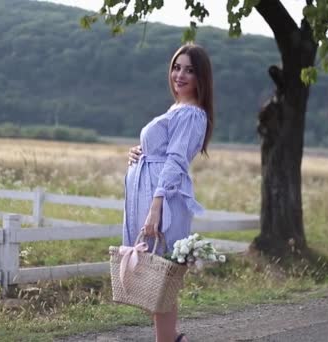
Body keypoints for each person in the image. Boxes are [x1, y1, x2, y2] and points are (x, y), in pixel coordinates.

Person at [124, 43, 214, 342]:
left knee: (161, 278)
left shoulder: (191, 113)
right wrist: (140, 152)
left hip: (162, 200)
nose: (180, 74)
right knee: (156, 278)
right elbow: (165, 150)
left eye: (189, 70)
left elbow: (176, 161)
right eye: (177, 67)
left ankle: (169, 340)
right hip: (150, 194)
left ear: (201, 77)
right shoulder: (176, 109)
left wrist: (155, 207)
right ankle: (172, 338)